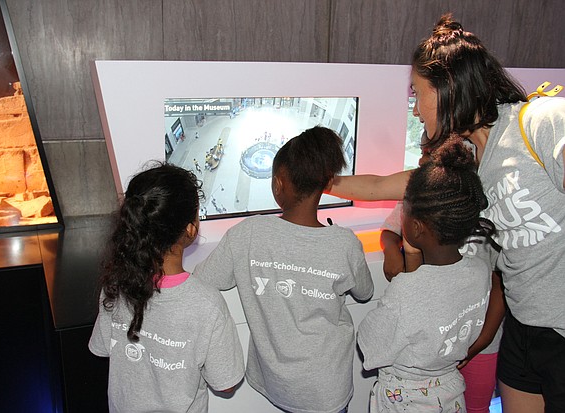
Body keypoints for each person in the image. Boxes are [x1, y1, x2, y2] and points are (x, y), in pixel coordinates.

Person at [331, 14, 565, 413]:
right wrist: (316, 182)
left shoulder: (541, 122)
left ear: (447, 88)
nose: (416, 109)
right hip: (522, 328)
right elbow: (379, 185)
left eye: (417, 94)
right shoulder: (465, 162)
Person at [194, 126, 374, 413]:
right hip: (328, 389)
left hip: (275, 384)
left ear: (278, 184)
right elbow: (366, 292)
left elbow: (205, 279)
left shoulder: (247, 234)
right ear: (325, 185)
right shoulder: (344, 243)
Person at [88, 162, 245, 413]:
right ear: (191, 229)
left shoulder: (115, 284)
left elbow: (103, 348)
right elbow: (225, 384)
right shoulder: (207, 304)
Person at [357, 136, 496, 412]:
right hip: (451, 392)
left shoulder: (409, 289)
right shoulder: (480, 271)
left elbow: (370, 345)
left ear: (417, 228)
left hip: (407, 399)